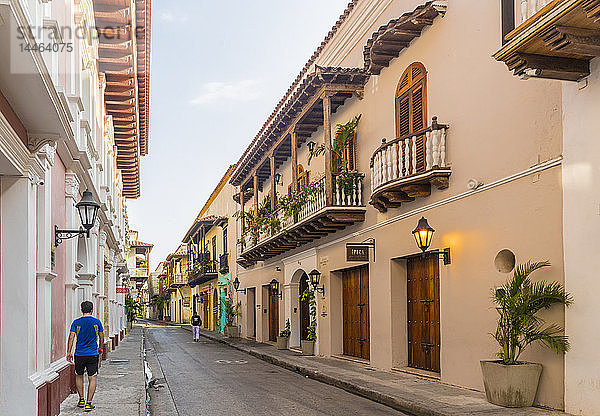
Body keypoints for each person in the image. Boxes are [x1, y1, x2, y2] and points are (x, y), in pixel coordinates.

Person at [66, 301, 104, 412]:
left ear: (81, 310)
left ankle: (81, 399)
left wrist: (68, 352)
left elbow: (71, 337)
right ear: (92, 310)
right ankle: (89, 403)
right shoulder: (97, 322)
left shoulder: (76, 322)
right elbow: (101, 337)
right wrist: (100, 348)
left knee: (79, 375)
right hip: (93, 354)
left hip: (79, 354)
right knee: (92, 377)